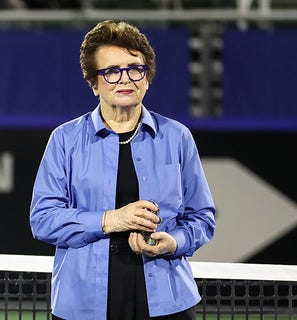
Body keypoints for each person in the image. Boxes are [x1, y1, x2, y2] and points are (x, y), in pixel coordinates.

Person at [29, 20, 216, 320]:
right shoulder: (64, 140)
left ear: (147, 78)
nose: (125, 79)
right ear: (94, 82)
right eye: (112, 71)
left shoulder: (177, 136)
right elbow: (43, 220)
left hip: (167, 302)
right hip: (83, 305)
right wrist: (111, 219)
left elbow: (203, 218)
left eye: (134, 69)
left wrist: (174, 242)